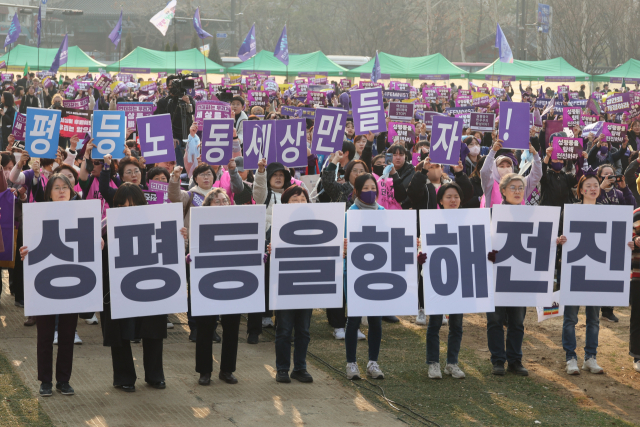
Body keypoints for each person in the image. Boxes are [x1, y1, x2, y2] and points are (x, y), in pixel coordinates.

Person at [19, 174, 99, 397]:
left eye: (66, 187)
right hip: (45, 282)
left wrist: (98, 241)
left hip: (72, 282)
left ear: (72, 191)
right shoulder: (38, 215)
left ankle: (64, 380)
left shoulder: (82, 214)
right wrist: (24, 252)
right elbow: (29, 245)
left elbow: (91, 243)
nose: (62, 191)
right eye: (57, 188)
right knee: (44, 335)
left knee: (66, 334)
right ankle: (45, 380)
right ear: (49, 193)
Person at [101, 183, 184, 392]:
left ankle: (155, 375)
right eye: (122, 206)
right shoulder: (104, 226)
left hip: (150, 285)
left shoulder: (158, 224)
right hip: (117, 288)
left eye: (133, 205)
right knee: (120, 333)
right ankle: (124, 377)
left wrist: (179, 236)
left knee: (153, 328)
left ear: (142, 205)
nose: (128, 210)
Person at [558, 172, 635, 375]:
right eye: (589, 186)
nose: (593, 188)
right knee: (571, 318)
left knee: (593, 318)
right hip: (575, 271)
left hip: (597, 271)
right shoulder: (570, 211)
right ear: (581, 190)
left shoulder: (607, 211)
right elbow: (558, 236)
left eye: (595, 186)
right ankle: (571, 358)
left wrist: (625, 243)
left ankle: (590, 357)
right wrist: (561, 240)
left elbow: (614, 237)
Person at [426, 182, 497, 379]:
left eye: (456, 196)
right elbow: (424, 247)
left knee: (457, 324)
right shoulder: (431, 220)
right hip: (438, 278)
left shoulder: (470, 219)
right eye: (448, 196)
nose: (453, 200)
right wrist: (421, 256)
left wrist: (488, 255)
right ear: (440, 200)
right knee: (434, 323)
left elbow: (479, 245)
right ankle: (433, 363)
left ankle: (452, 362)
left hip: (462, 278)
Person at [485, 162, 544, 377]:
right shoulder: (491, 214)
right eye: (513, 188)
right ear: (502, 191)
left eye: (521, 188)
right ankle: (498, 361)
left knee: (517, 321)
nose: (518, 191)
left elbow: (538, 242)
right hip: (496, 274)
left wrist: (553, 241)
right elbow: (481, 241)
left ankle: (515, 360)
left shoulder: (532, 215)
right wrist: (487, 252)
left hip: (520, 274)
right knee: (495, 320)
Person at [193, 187, 243, 386]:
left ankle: (227, 370)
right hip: (208, 281)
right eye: (217, 201)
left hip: (233, 281)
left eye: (224, 201)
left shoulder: (239, 224)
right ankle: (204, 371)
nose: (222, 204)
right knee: (205, 328)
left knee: (232, 328)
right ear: (208, 205)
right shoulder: (200, 224)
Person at [267, 186, 315, 383]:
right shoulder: (277, 225)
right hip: (284, 283)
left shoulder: (316, 224)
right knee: (284, 329)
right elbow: (267, 250)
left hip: (307, 283)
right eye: (294, 200)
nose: (299, 203)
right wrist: (270, 248)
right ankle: (282, 368)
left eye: (302, 199)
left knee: (303, 329)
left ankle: (300, 367)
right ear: (285, 203)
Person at [344, 173, 386, 380]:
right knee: (353, 320)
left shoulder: (383, 212)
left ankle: (373, 362)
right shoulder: (349, 213)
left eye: (373, 188)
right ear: (357, 191)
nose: (370, 192)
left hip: (378, 271)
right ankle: (351, 363)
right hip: (355, 272)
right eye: (366, 188)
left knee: (375, 320)